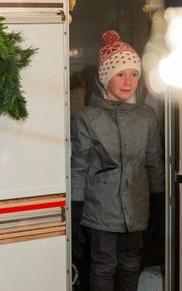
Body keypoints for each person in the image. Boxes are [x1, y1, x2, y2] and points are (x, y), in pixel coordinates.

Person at [71, 30, 165, 291]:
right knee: (102, 266)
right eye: (120, 74)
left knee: (132, 263)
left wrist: (159, 201)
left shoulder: (146, 116)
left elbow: (154, 162)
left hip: (136, 208)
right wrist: (76, 207)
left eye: (134, 74)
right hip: (101, 210)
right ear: (105, 77)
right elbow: (78, 167)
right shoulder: (88, 118)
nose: (128, 81)